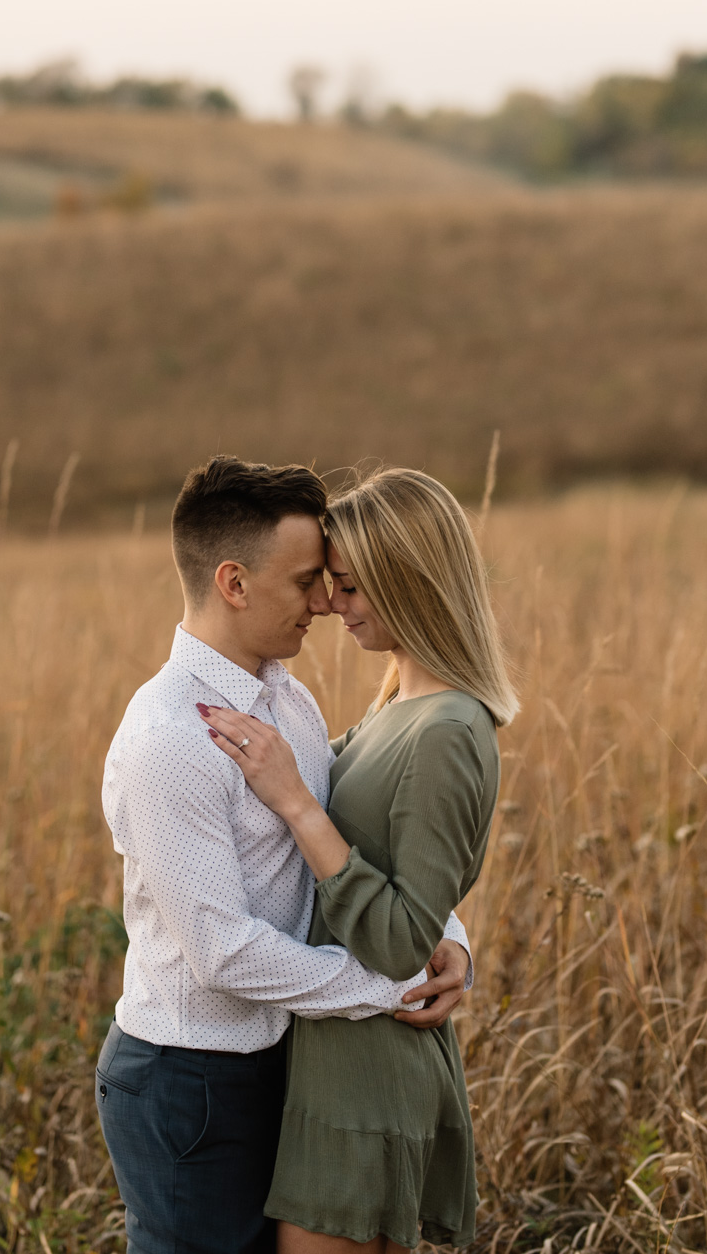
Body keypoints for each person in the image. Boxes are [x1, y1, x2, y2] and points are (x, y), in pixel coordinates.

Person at [97, 457, 474, 1254]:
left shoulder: (284, 697)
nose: (327, 604)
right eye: (307, 582)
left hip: (281, 1057)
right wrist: (386, 984)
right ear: (234, 583)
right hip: (190, 1078)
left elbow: (350, 832)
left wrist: (446, 934)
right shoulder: (170, 742)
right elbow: (223, 954)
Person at [203, 466, 518, 1253]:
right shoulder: (397, 706)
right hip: (340, 1051)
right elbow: (416, 894)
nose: (328, 606)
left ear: (408, 583)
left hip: (369, 1073)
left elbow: (400, 939)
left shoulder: (445, 729)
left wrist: (299, 804)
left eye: (346, 587)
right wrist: (457, 941)